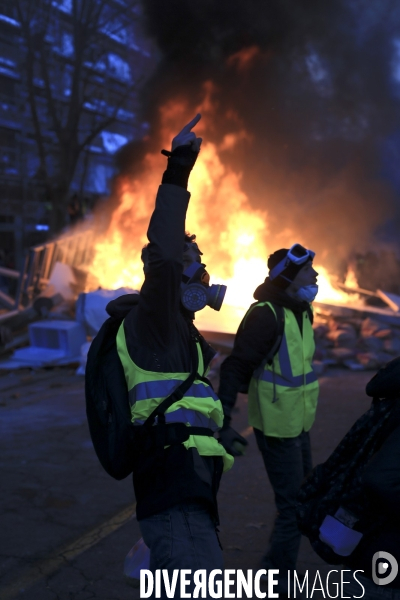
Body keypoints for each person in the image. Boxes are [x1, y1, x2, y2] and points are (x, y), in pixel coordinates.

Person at [106, 114, 233, 598]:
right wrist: (178, 170)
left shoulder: (182, 332)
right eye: (195, 266)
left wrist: (224, 438)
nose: (204, 276)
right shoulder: (155, 319)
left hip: (191, 488)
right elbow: (161, 256)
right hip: (173, 491)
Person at [218, 244, 320, 597]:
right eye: (309, 270)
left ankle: (276, 574)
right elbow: (235, 367)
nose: (316, 275)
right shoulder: (266, 315)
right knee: (292, 506)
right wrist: (222, 421)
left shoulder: (302, 311)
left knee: (303, 499)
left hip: (298, 422)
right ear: (290, 277)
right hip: (277, 426)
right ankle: (276, 582)